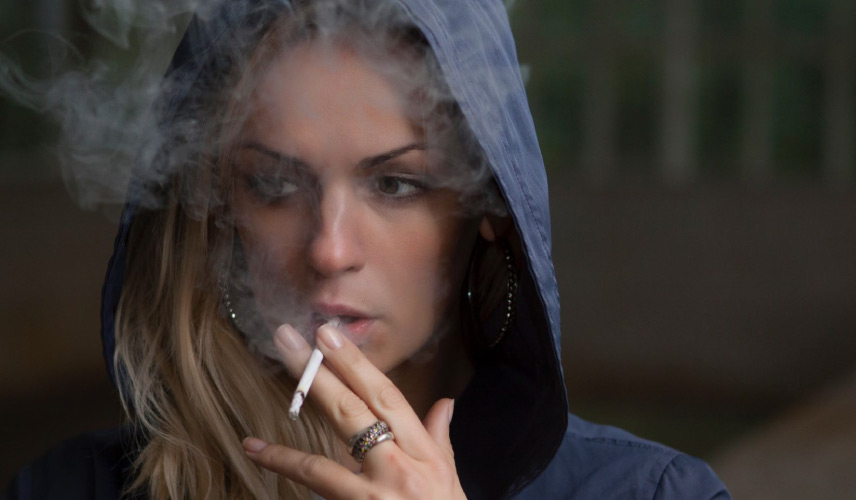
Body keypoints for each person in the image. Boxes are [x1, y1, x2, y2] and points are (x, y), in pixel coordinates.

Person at [3, 1, 731, 499]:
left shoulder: (648, 495)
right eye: (273, 184)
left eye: (395, 183)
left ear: (487, 207)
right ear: (219, 210)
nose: (329, 249)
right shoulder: (72, 491)